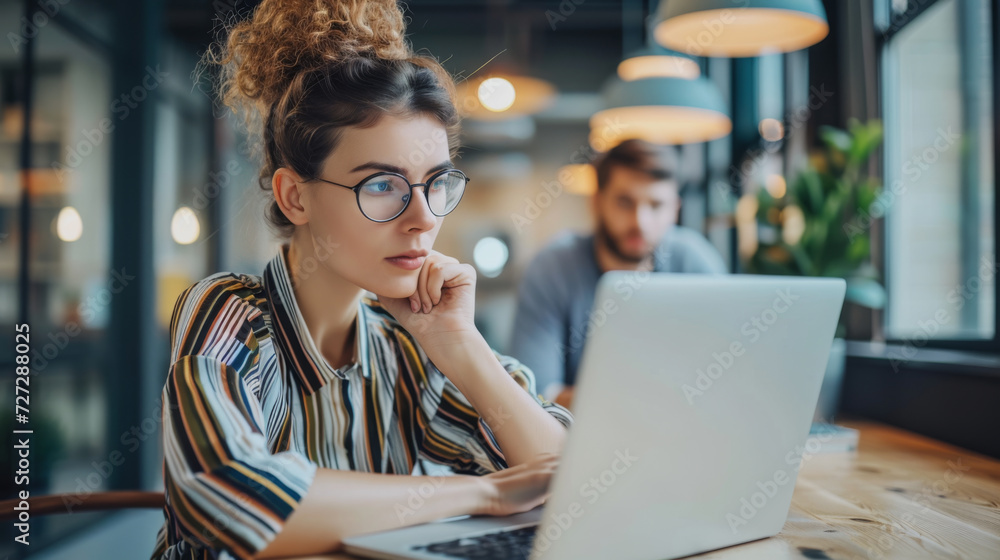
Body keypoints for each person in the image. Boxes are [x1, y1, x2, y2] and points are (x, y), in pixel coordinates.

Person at [150, 1, 572, 558]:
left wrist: (461, 346)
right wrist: (483, 493)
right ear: (294, 196)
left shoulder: (411, 341)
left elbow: (566, 475)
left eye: (436, 182)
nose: (423, 217)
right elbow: (230, 499)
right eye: (381, 185)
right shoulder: (230, 313)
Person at [509, 138, 728, 410]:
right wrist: (653, 402)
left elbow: (728, 380)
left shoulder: (695, 263)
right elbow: (533, 392)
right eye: (625, 202)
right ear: (597, 202)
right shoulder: (552, 267)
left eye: (656, 205)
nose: (640, 222)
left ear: (675, 210)